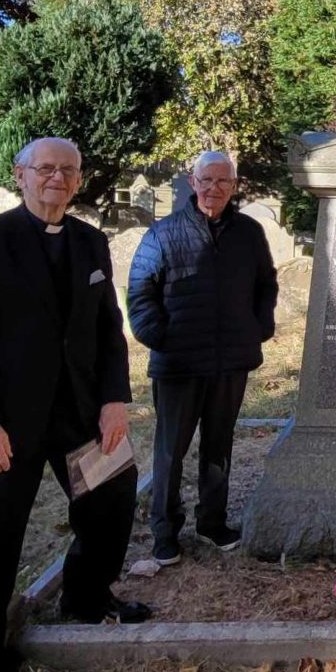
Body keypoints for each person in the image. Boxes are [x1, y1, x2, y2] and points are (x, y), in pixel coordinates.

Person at [0, 137, 151, 672]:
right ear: (21, 175)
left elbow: (107, 331)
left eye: (69, 170)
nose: (58, 178)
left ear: (79, 180)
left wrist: (113, 400)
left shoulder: (89, 242)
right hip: (1, 421)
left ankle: (85, 595)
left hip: (79, 412)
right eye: (46, 168)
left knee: (112, 498)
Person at [127, 151, 278, 566]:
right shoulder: (163, 234)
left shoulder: (248, 233)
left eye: (223, 182)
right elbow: (141, 292)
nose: (214, 189)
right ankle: (164, 532)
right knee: (170, 451)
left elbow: (266, 283)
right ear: (193, 182)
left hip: (230, 360)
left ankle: (212, 522)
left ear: (233, 186)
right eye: (206, 180)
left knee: (218, 446)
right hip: (178, 362)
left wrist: (259, 327)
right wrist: (159, 336)